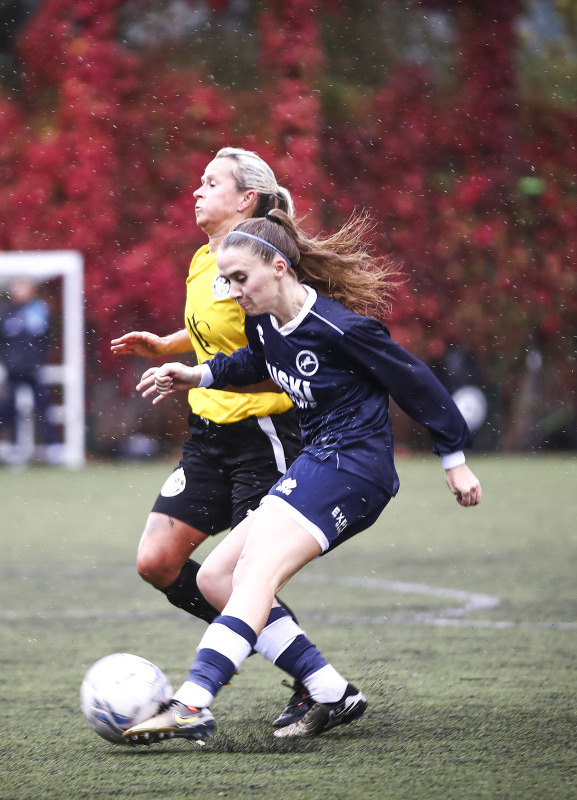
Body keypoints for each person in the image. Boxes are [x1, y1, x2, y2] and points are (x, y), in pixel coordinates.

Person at [123, 210, 482, 744]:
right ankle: (329, 690)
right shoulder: (263, 321)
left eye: (240, 278)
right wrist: (196, 374)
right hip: (319, 460)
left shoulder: (341, 328)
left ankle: (192, 702)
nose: (233, 291)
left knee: (254, 574)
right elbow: (254, 362)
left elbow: (414, 380)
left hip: (355, 467)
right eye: (227, 280)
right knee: (214, 577)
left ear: (279, 267)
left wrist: (453, 458)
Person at [110, 147, 308, 726]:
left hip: (263, 435)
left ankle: (313, 683)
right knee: (157, 561)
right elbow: (215, 330)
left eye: (210, 182)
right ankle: (244, 634)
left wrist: (200, 373)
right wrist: (167, 344)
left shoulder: (269, 264)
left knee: (245, 576)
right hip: (207, 436)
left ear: (246, 199)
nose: (196, 191)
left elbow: (275, 353)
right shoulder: (205, 259)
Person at [0, 277, 58, 463]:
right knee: (8, 410)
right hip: (12, 371)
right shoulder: (5, 312)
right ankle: (11, 447)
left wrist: (37, 358)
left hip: (33, 370)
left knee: (43, 407)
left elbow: (47, 338)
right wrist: (8, 360)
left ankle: (53, 448)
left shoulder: (39, 310)